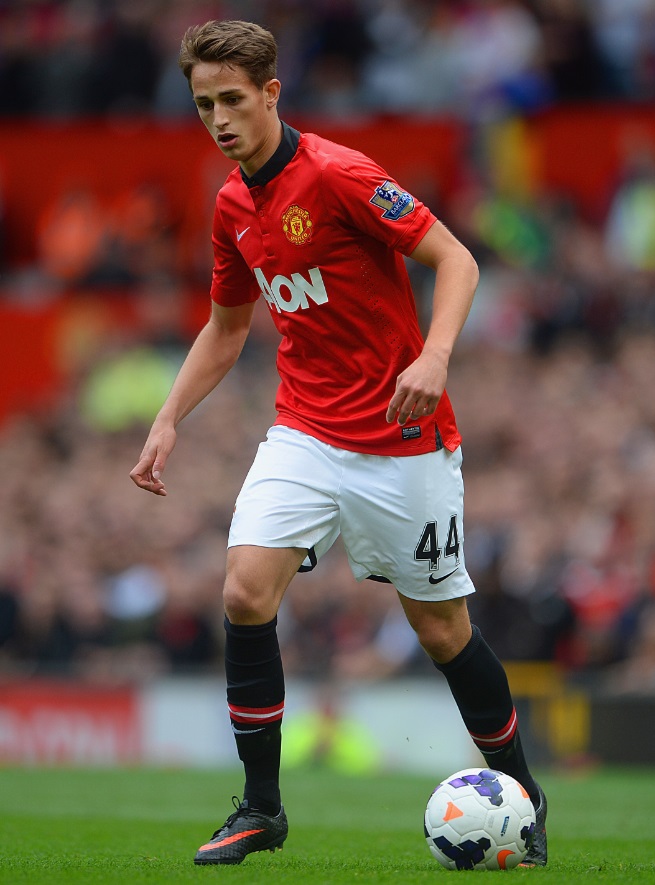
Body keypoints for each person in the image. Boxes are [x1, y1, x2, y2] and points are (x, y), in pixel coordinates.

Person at [130, 19, 548, 868]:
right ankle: (262, 807)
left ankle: (524, 793)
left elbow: (457, 260)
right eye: (204, 104)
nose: (219, 119)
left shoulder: (340, 174)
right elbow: (226, 327)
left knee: (443, 632)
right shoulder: (231, 204)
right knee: (244, 590)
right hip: (305, 431)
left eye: (233, 100)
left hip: (404, 438)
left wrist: (435, 356)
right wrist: (169, 416)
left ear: (272, 93)